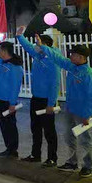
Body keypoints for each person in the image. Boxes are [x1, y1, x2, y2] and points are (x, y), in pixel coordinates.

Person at [35, 36, 92, 178]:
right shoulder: (72, 67)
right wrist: (43, 47)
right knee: (69, 136)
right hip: (70, 109)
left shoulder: (88, 74)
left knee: (85, 139)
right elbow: (57, 58)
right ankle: (72, 162)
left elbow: (91, 97)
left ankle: (87, 166)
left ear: (81, 57)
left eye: (73, 54)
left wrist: (88, 115)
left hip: (82, 113)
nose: (70, 57)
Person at [17, 29, 61, 166]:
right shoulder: (37, 55)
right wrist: (19, 36)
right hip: (35, 98)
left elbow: (55, 83)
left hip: (47, 101)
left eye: (38, 44)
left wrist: (51, 104)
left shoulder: (53, 60)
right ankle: (35, 154)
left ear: (45, 45)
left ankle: (52, 158)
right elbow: (27, 46)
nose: (35, 46)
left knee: (49, 130)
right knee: (35, 128)